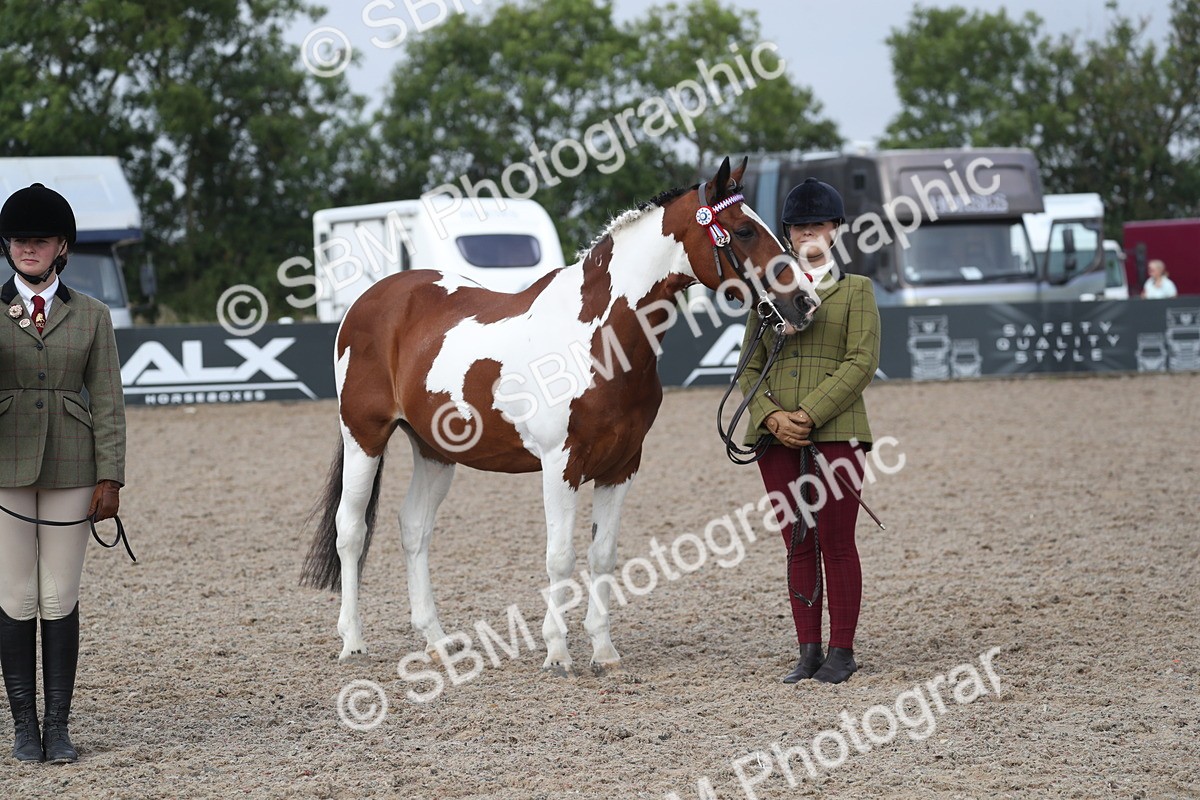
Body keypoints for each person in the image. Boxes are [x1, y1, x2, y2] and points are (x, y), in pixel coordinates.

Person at [737, 178, 880, 685]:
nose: (808, 233)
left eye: (818, 224)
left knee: (837, 541)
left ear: (836, 231)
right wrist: (772, 418)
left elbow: (861, 361)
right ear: (789, 234)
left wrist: (811, 414)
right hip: (777, 438)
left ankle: (842, 650)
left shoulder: (856, 290)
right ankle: (808, 649)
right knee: (797, 541)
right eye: (800, 226)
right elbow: (748, 370)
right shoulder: (768, 293)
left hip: (837, 432)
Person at [0, 183, 125, 763]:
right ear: (8, 246)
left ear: (61, 247)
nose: (29, 247)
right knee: (14, 595)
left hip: (74, 466)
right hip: (6, 465)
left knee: (59, 594)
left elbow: (108, 399)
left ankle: (59, 726)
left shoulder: (93, 316)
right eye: (20, 239)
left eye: (40, 239)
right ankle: (24, 725)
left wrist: (112, 478)